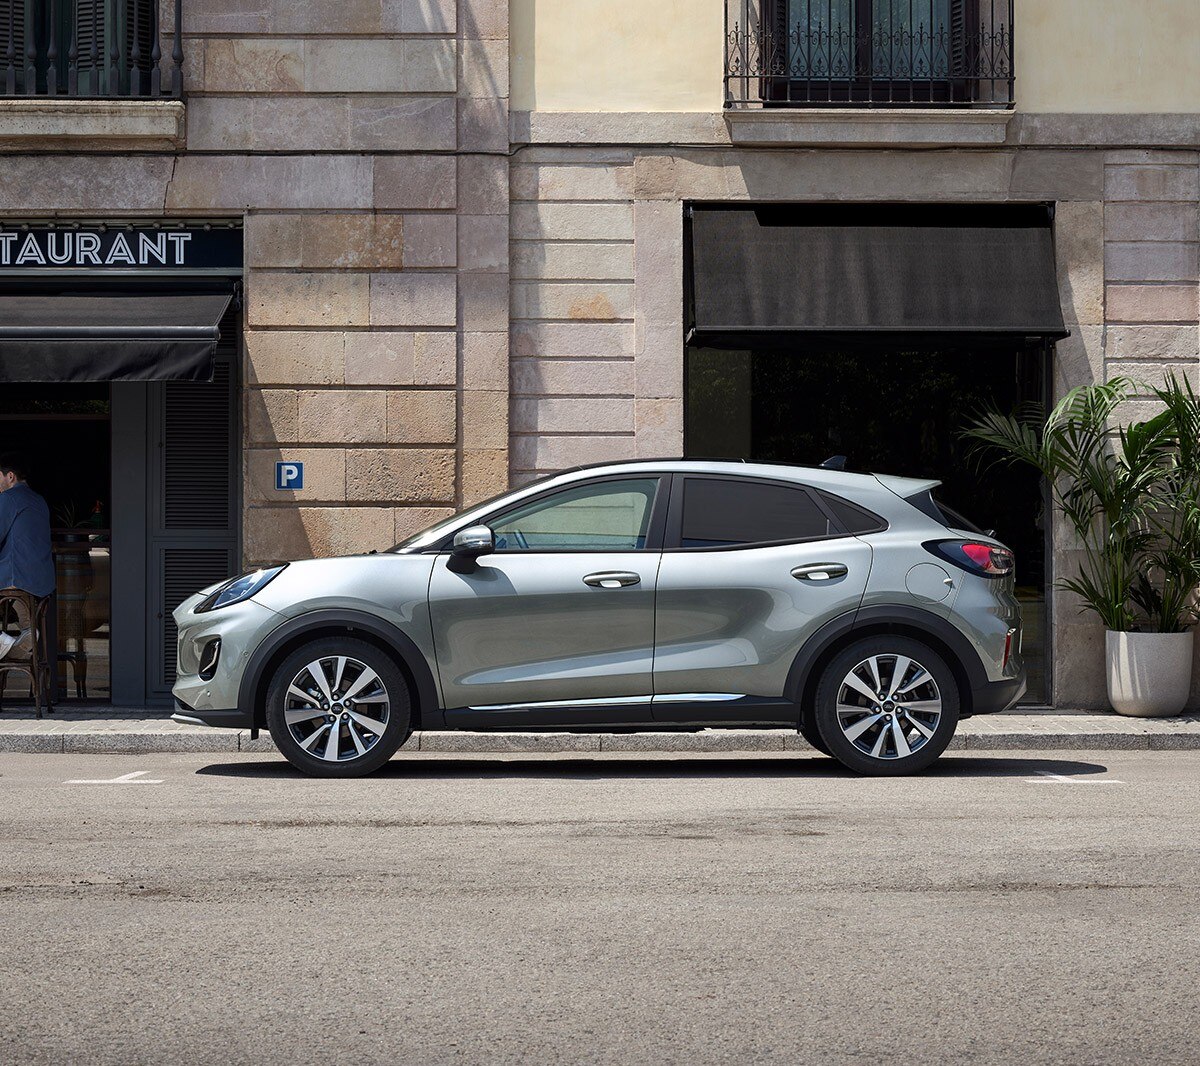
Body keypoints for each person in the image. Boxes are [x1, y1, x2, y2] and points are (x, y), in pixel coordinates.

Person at [0, 453, 55, 659]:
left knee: (16, 600)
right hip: (41, 581)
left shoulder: (9, 498)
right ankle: (24, 639)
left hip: (16, 576)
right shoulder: (39, 500)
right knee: (28, 626)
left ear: (10, 476)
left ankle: (3, 642)